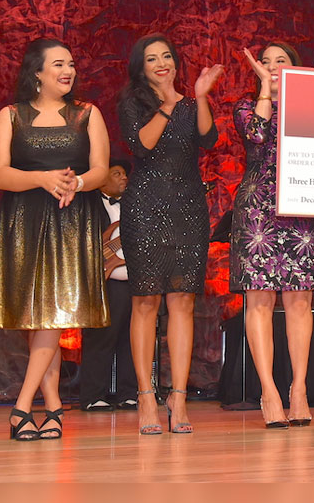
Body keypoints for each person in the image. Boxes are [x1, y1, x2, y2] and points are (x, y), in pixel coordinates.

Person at [0, 37, 110, 441]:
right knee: (40, 318)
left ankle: (22, 405)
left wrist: (79, 182)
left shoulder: (88, 114)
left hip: (72, 220)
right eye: (58, 64)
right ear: (36, 73)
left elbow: (101, 171)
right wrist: (41, 178)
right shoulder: (11, 115)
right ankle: (54, 406)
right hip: (24, 220)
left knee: (54, 315)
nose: (67, 71)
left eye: (71, 63)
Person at [118, 33, 224, 434]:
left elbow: (209, 140)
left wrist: (198, 96)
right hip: (145, 208)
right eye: (152, 59)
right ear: (140, 67)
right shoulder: (133, 103)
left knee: (182, 301)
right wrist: (167, 102)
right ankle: (147, 398)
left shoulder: (190, 103)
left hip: (188, 210)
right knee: (145, 303)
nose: (161, 63)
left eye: (166, 57)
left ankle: (178, 400)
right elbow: (141, 146)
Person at [230, 41, 314, 428]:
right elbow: (257, 135)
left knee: (299, 300)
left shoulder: (305, 106)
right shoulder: (245, 106)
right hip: (258, 210)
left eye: (282, 62)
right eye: (266, 62)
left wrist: (313, 89)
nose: (273, 67)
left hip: (300, 209)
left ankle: (298, 388)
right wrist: (264, 91)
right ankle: (268, 390)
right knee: (259, 300)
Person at [79, 159, 139, 412]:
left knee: (132, 338)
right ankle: (94, 395)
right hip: (103, 284)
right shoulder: (87, 206)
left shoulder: (136, 206)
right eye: (117, 173)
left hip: (134, 283)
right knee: (101, 337)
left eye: (125, 174)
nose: (124, 178)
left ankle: (130, 393)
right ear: (101, 179)